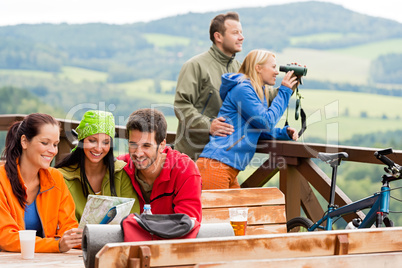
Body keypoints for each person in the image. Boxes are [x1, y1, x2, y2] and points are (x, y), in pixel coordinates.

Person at [196, 49, 299, 190]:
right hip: (216, 166)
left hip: (228, 168)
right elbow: (266, 122)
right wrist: (285, 91)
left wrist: (283, 133)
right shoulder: (243, 90)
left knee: (240, 212)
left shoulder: (257, 91)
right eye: (273, 67)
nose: (277, 72)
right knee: (220, 213)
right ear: (258, 68)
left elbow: (256, 129)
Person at [0, 113, 81, 253]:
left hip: (44, 261)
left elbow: (68, 227)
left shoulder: (56, 178)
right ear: (24, 141)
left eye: (55, 144)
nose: (52, 150)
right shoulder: (2, 179)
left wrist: (80, 239)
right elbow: (6, 238)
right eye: (45, 143)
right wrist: (56, 245)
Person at [117, 108, 202, 239]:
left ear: (162, 145)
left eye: (146, 146)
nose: (138, 153)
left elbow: (186, 226)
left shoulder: (185, 170)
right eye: (133, 144)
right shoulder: (121, 167)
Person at [174, 11, 244, 161]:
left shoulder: (240, 69)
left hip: (225, 157)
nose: (241, 37)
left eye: (241, 32)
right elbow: (181, 106)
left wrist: (286, 87)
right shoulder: (195, 65)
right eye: (235, 33)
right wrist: (209, 126)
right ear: (218, 36)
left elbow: (257, 98)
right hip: (193, 157)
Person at [56, 110, 140, 222]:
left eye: (105, 142)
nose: (99, 148)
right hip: (78, 238)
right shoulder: (63, 177)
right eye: (92, 141)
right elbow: (66, 223)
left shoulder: (122, 172)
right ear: (81, 140)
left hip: (117, 239)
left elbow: (132, 216)